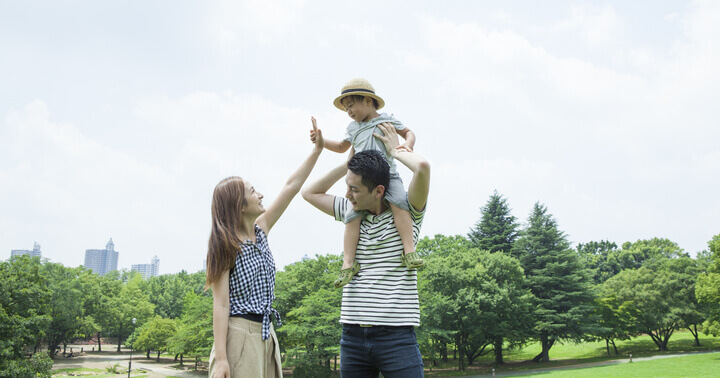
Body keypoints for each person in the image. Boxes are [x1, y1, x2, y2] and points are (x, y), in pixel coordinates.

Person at [303, 123, 431, 377]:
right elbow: (309, 192)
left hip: (397, 338)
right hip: (352, 338)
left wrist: (396, 152)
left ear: (378, 191)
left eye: (354, 189)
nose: (347, 194)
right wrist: (350, 166)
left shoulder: (409, 212)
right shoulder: (351, 211)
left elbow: (423, 168)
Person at [205, 118, 324, 378]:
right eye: (252, 191)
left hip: (266, 334)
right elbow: (221, 305)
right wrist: (222, 358)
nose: (260, 195)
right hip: (238, 336)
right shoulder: (225, 245)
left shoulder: (261, 229)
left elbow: (291, 187)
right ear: (239, 205)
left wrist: (316, 151)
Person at [320, 77, 424, 289]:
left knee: (399, 205)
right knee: (351, 217)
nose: (349, 112)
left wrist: (407, 146)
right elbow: (341, 147)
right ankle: (348, 263)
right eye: (346, 108)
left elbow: (409, 132)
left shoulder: (386, 120)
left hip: (388, 176)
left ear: (368, 101)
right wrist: (321, 143)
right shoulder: (353, 128)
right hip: (363, 178)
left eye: (351, 106)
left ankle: (409, 250)